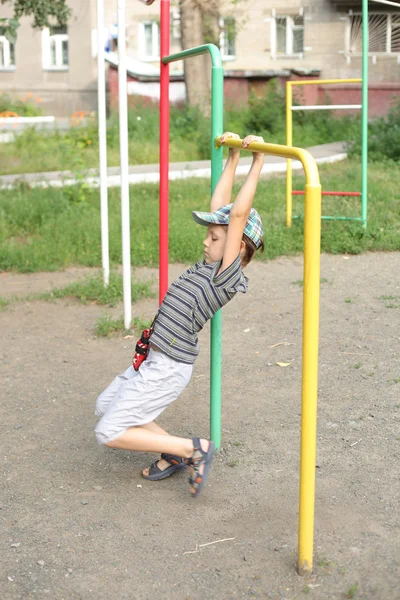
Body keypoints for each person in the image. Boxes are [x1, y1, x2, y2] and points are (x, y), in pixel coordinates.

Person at [94, 132, 265, 498]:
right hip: (155, 357)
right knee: (106, 405)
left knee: (108, 431)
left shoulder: (226, 276)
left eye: (217, 239)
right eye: (209, 235)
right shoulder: (208, 263)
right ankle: (173, 453)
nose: (207, 241)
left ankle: (192, 449)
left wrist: (258, 161)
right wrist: (233, 157)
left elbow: (236, 214)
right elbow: (221, 205)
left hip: (170, 366)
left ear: (237, 249)